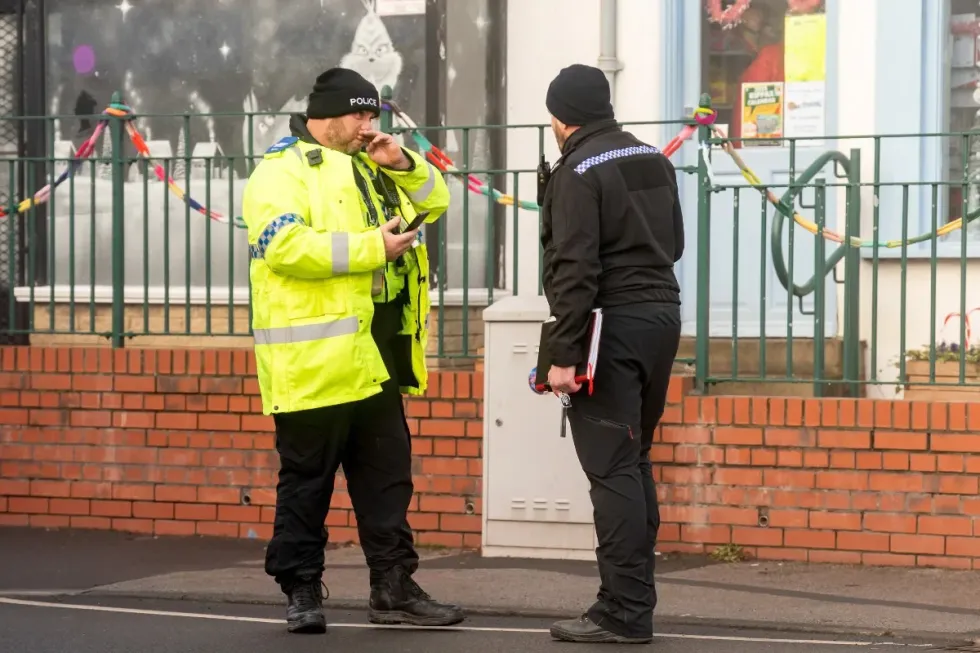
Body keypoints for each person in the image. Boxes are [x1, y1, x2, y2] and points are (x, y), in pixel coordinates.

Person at [241, 67, 464, 634]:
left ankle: (392, 587)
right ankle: (301, 591)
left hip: (376, 354)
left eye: (373, 116)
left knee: (387, 479)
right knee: (307, 483)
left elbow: (436, 202)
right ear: (328, 115)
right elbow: (284, 245)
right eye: (361, 115)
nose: (369, 125)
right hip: (314, 362)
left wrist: (404, 162)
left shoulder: (372, 159)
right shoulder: (281, 170)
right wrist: (373, 248)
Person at [538, 64, 685, 644]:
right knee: (635, 458)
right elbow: (672, 243)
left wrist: (563, 354)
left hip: (610, 327)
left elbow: (574, 268)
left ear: (559, 118)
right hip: (661, 317)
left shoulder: (576, 170)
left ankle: (623, 611)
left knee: (612, 468)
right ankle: (629, 603)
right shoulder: (653, 157)